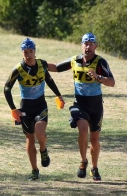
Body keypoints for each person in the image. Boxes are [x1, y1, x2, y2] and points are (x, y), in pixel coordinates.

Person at [47, 33, 115, 181]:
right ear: (81, 45)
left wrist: (98, 77)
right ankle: (83, 161)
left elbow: (112, 82)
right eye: (85, 43)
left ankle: (94, 168)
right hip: (80, 104)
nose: (88, 46)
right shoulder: (75, 60)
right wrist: (38, 62)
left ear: (96, 46)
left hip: (96, 105)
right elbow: (56, 67)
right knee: (83, 131)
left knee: (95, 139)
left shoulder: (100, 62)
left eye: (91, 44)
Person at [4, 38, 65, 181]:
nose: (28, 55)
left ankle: (43, 149)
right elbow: (6, 89)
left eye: (31, 51)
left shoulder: (42, 64)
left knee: (40, 133)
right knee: (30, 140)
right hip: (25, 108)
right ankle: (34, 170)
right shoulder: (18, 69)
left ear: (35, 51)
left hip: (40, 105)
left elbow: (49, 80)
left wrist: (59, 95)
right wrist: (14, 109)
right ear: (22, 53)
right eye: (25, 52)